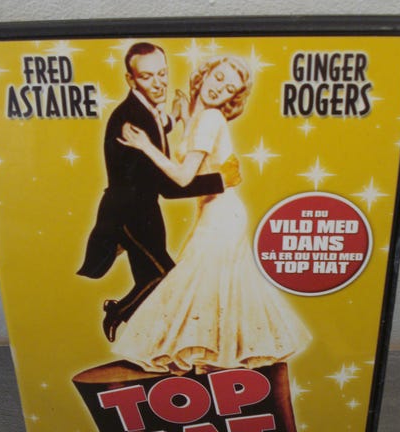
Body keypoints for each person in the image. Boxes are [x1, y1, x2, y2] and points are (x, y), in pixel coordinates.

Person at [113, 56, 312, 373]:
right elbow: (199, 159)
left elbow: (183, 178)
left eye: (229, 88)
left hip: (222, 215)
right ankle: (210, 362)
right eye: (218, 78)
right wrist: (181, 118)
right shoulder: (199, 117)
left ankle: (208, 361)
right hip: (214, 213)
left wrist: (146, 146)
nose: (220, 89)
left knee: (198, 281)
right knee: (211, 285)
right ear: (204, 74)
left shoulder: (210, 119)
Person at [77, 43, 240, 342]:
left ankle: (150, 342)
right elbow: (169, 186)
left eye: (162, 74)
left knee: (152, 284)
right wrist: (220, 180)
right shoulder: (130, 120)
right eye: (147, 76)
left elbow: (156, 125)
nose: (159, 83)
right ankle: (118, 311)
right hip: (128, 214)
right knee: (165, 277)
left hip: (145, 212)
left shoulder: (144, 110)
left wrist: (173, 119)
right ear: (130, 79)